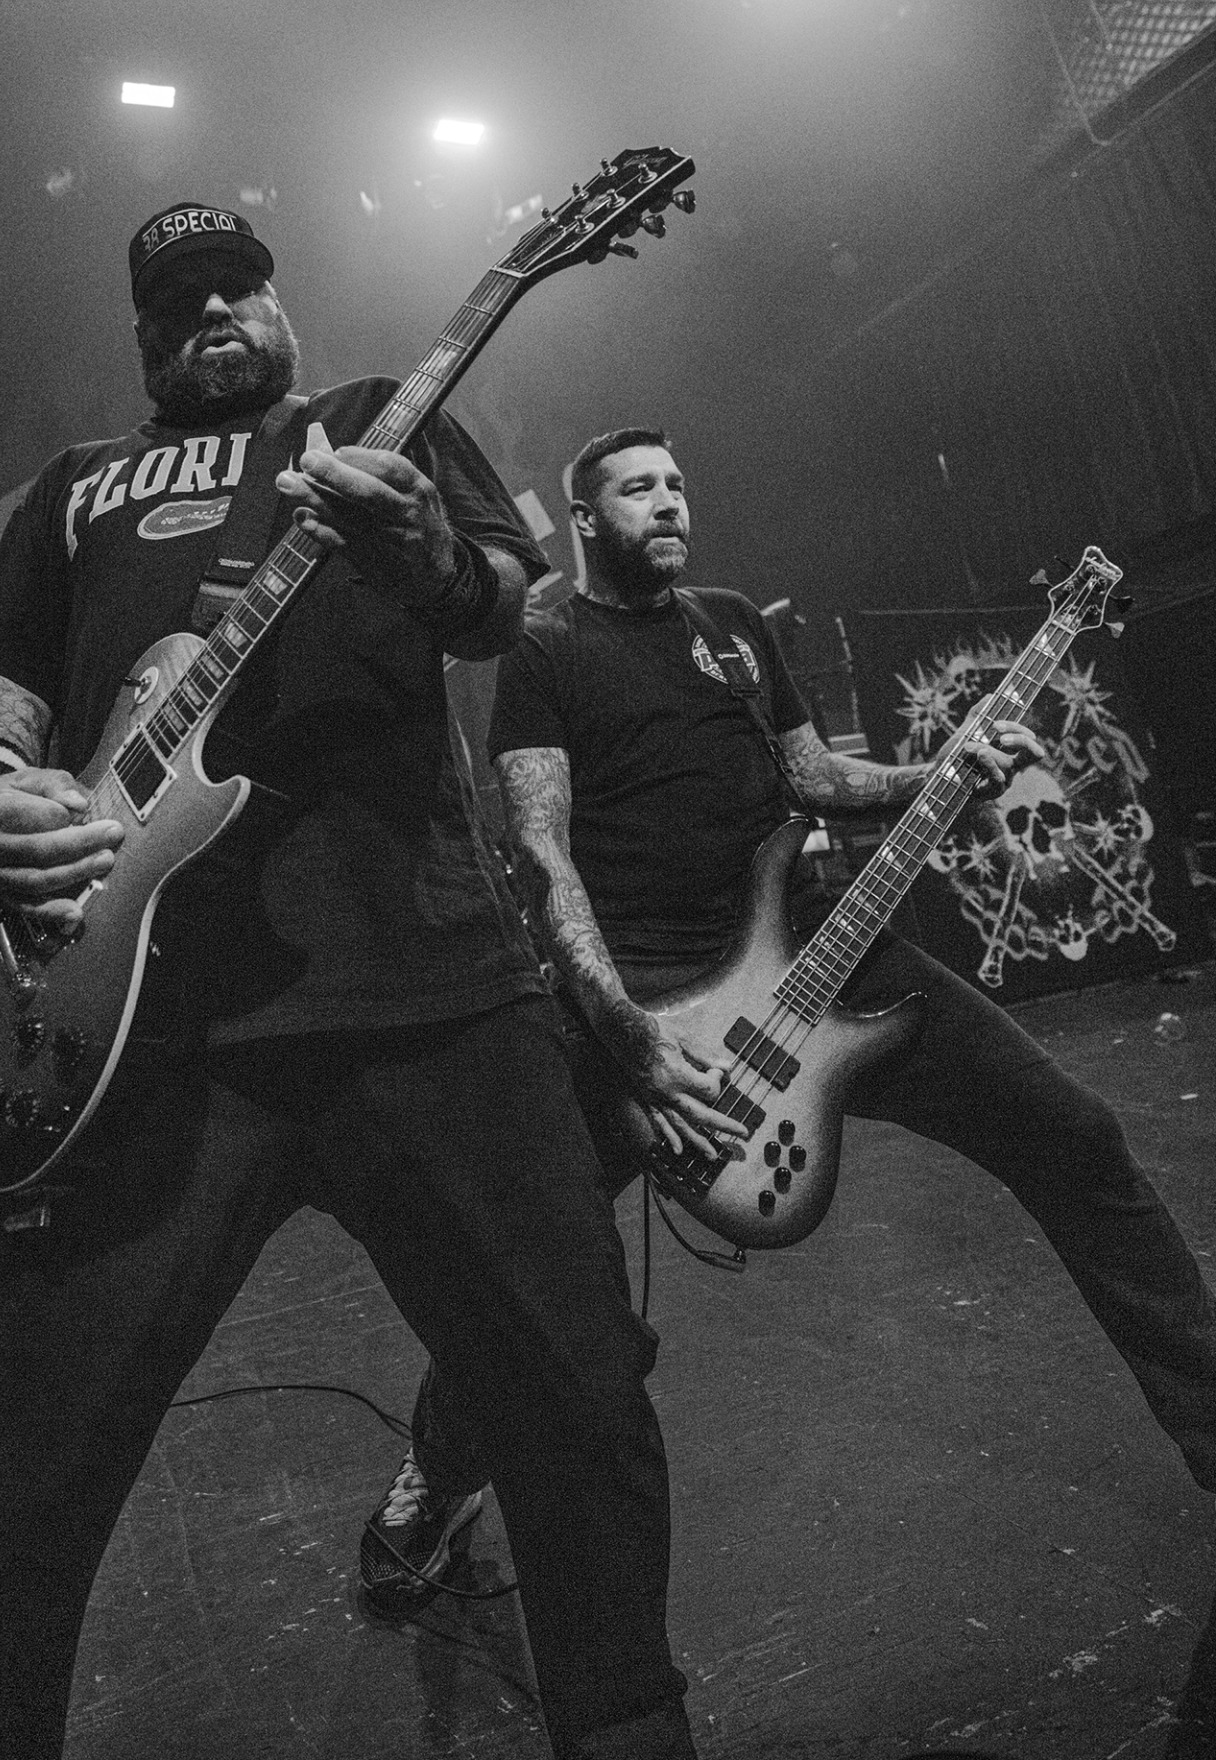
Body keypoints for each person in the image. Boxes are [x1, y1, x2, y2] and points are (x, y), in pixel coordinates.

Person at [0, 218, 707, 1760]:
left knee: (580, 1406)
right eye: (175, 302)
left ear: (280, 299)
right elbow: (3, 673)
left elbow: (503, 603)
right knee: (6, 1477)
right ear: (143, 340)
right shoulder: (72, 487)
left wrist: (423, 553)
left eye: (237, 284)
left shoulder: (376, 420)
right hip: (129, 1026)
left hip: (429, 984)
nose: (212, 312)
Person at [359, 426, 1216, 1759]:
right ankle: (436, 1477)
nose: (670, 502)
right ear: (584, 516)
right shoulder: (542, 644)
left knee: (1079, 1139)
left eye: (678, 484)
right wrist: (623, 1033)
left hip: (824, 950)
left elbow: (818, 782)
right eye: (639, 488)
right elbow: (543, 850)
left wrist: (938, 774)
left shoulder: (733, 628)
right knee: (526, 1282)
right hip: (648, 1001)